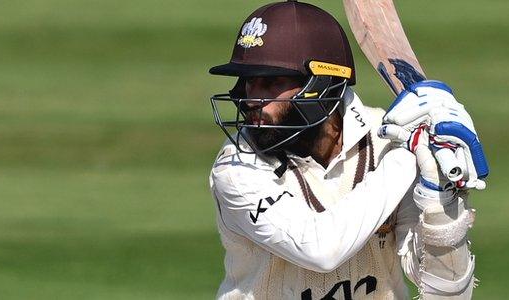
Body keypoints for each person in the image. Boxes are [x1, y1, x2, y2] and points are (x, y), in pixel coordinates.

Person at [208, 1, 489, 299]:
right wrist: (411, 150)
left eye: (272, 83)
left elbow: (447, 292)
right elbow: (320, 250)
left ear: (322, 84)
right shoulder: (236, 167)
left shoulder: (385, 141)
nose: (252, 100)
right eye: (249, 83)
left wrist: (440, 200)